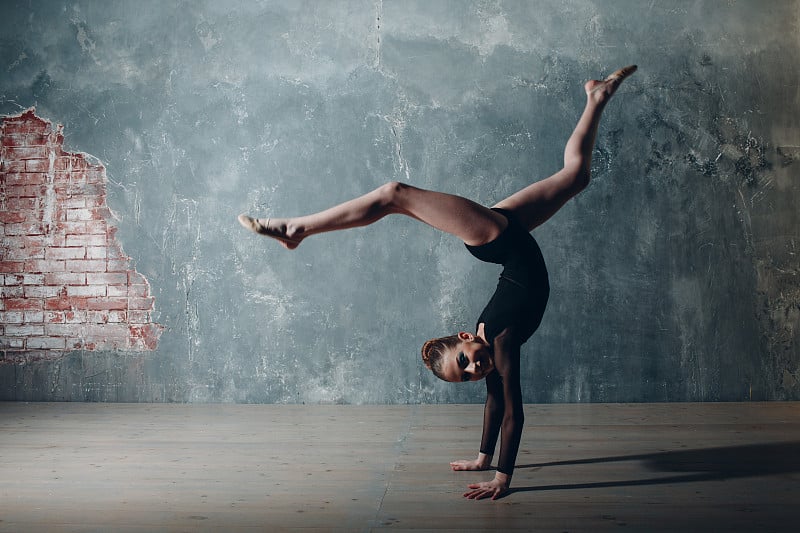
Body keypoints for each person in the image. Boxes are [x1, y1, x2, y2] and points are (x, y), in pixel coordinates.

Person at [238, 65, 637, 500]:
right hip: (511, 235)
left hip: (495, 239)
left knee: (395, 194)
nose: (473, 369)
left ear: (466, 337)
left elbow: (514, 417)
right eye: (467, 374)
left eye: (464, 360)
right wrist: (483, 459)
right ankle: (596, 98)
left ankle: (297, 229)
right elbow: (497, 404)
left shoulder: (498, 343)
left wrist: (503, 480)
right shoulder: (492, 345)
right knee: (576, 176)